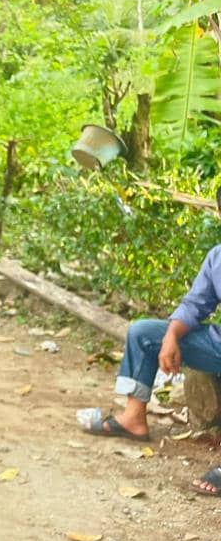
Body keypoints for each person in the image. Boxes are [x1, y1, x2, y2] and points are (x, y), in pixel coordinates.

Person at [81, 188, 221, 496]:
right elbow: (195, 304)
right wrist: (171, 336)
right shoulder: (217, 257)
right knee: (144, 333)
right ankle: (133, 418)